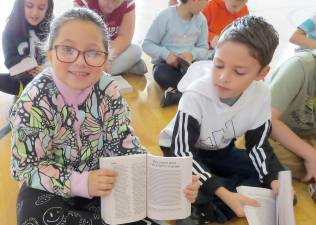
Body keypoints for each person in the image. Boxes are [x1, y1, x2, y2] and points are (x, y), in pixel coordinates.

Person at [9, 8, 199, 225]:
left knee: (140, 204)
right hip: (51, 187)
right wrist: (82, 183)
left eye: (92, 53)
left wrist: (171, 183)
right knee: (34, 217)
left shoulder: (108, 87)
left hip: (104, 180)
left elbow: (124, 145)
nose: (80, 61)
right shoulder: (34, 99)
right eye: (67, 50)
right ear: (50, 53)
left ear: (106, 59)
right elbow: (26, 168)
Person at [159, 16, 285, 224]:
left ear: (262, 73)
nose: (224, 77)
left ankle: (206, 203)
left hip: (220, 151)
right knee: (185, 183)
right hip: (179, 154)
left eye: (239, 71)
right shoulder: (196, 95)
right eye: (218, 65)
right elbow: (183, 154)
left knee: (277, 176)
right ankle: (216, 200)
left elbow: (258, 147)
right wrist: (225, 193)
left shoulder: (261, 94)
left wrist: (274, 179)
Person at [142, 0, 209, 107]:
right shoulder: (165, 16)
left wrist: (192, 54)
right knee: (161, 74)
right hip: (166, 66)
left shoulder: (201, 20)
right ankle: (197, 93)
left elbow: (204, 49)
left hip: (190, 66)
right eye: (206, 0)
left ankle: (179, 94)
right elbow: (147, 44)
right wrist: (166, 54)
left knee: (208, 71)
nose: (207, 4)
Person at [268, 51, 316, 183]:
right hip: (275, 134)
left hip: (306, 138)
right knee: (261, 148)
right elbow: (267, 119)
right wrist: (310, 154)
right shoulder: (300, 66)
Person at [73, 0, 147, 76]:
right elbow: (82, 38)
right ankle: (127, 67)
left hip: (112, 48)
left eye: (117, 2)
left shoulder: (128, 2)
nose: (111, 6)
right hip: (90, 48)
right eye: (108, 1)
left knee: (136, 50)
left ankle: (93, 73)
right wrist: (99, 57)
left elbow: (124, 37)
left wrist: (107, 57)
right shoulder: (83, 2)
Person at [0, 0, 54, 96]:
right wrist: (29, 65)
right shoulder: (10, 30)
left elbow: (61, 59)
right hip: (22, 82)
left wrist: (47, 69)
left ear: (48, 8)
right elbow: (10, 65)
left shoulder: (53, 27)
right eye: (29, 6)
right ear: (20, 5)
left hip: (50, 82)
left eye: (41, 8)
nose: (35, 13)